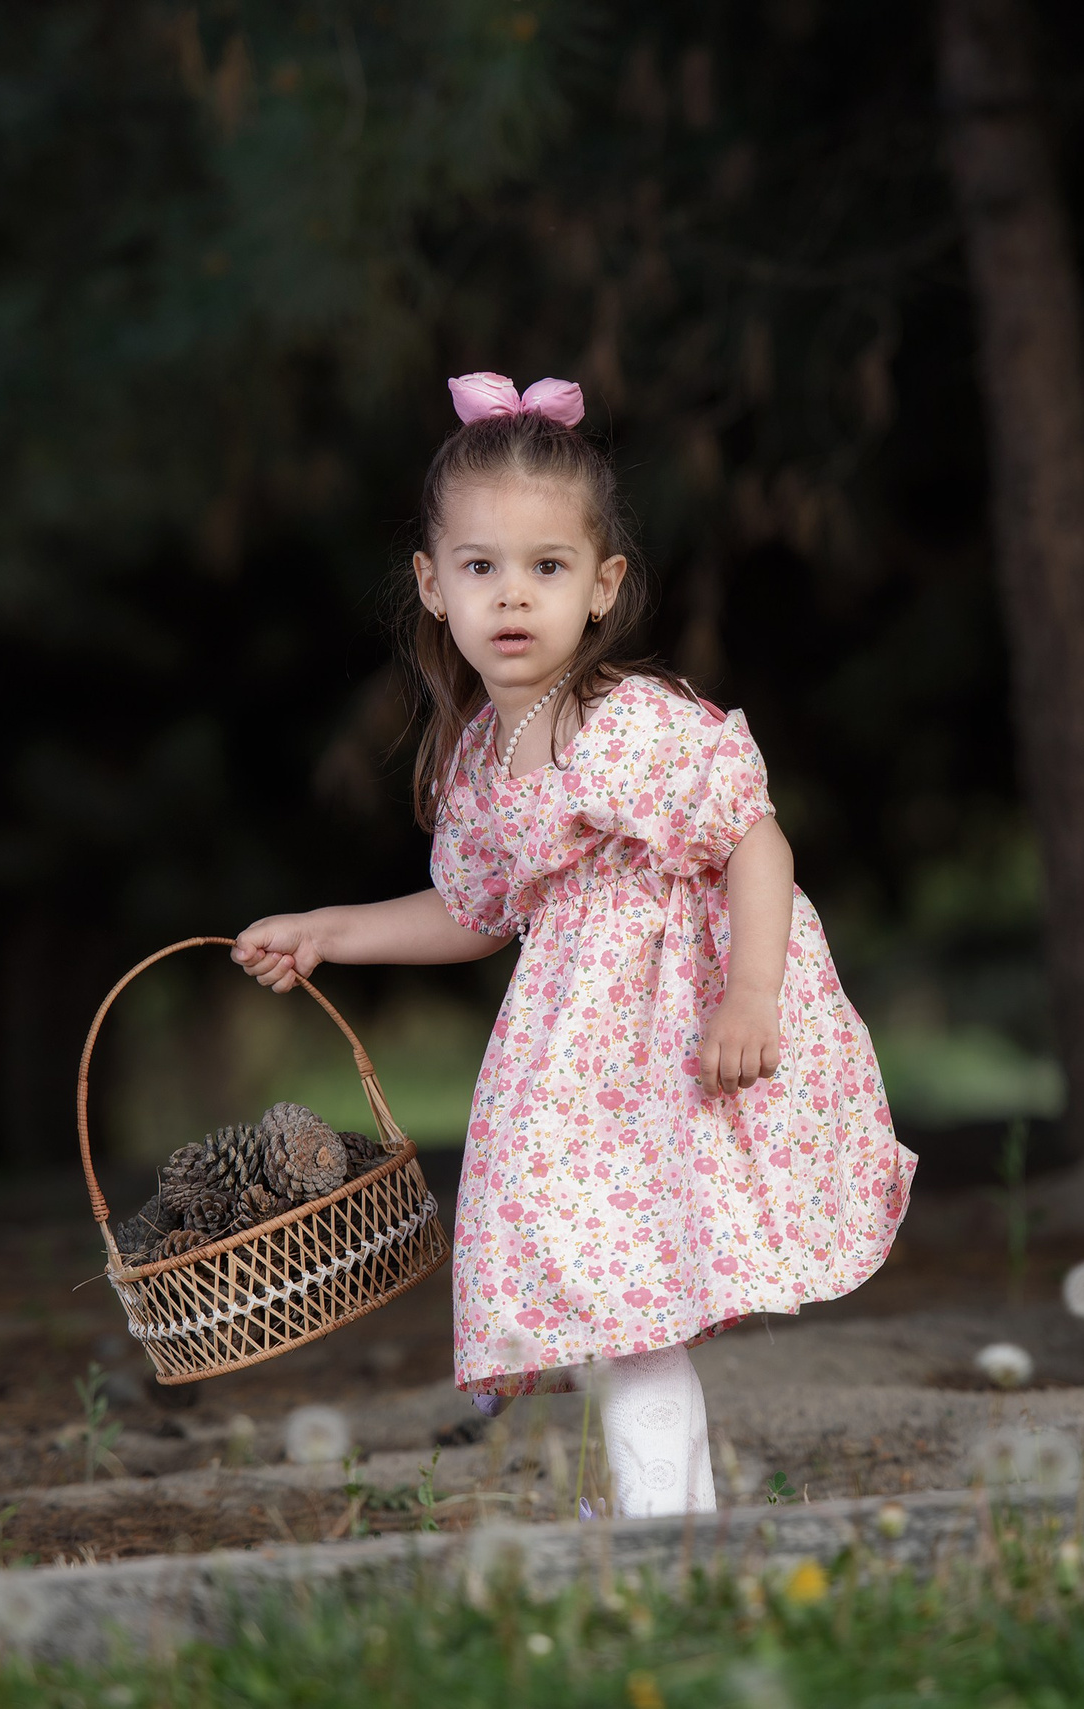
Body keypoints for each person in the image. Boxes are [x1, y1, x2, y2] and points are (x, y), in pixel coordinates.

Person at [233, 372, 917, 1517]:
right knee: (611, 1295)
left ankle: (665, 1540)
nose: (512, 597)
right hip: (578, 1069)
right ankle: (678, 1527)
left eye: (546, 568)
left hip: (673, 1037)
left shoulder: (629, 725)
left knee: (622, 1298)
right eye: (480, 567)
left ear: (601, 588)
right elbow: (477, 910)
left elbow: (753, 842)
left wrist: (751, 994)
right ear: (432, 585)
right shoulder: (479, 761)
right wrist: (331, 930)